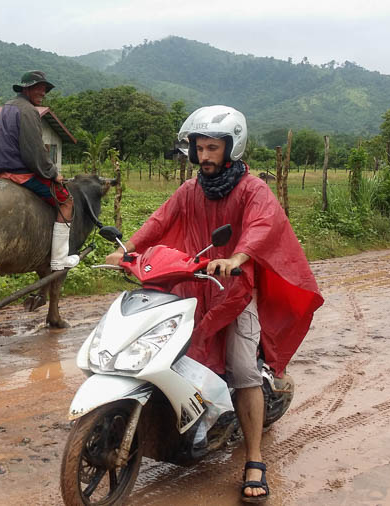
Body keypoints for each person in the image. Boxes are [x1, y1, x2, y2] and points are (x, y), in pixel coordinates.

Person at [105, 105, 323, 503]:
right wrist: (129, 249)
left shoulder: (253, 189)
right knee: (169, 351)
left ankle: (254, 458)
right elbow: (160, 219)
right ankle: (191, 423)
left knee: (242, 371)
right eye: (198, 147)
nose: (204, 155)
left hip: (234, 290)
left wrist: (237, 258)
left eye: (211, 148)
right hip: (194, 283)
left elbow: (262, 226)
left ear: (231, 148)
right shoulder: (190, 190)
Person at [0, 70, 78, 271]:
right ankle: (59, 259)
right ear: (27, 88)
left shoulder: (9, 106)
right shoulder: (28, 111)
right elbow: (34, 152)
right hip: (18, 171)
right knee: (66, 201)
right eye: (39, 87)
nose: (43, 92)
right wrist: (53, 173)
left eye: (45, 89)